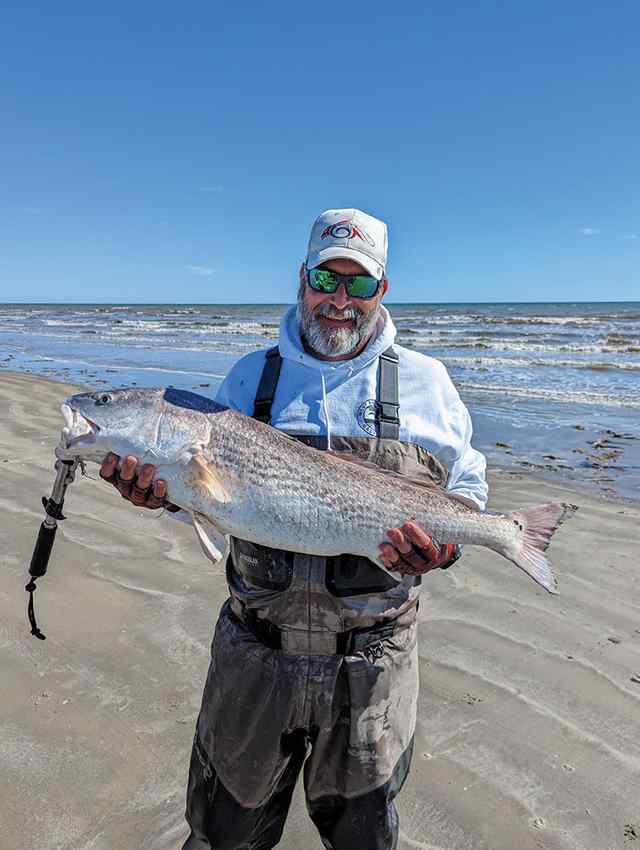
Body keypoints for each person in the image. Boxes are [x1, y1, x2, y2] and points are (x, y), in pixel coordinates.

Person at [100, 208, 488, 850]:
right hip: (254, 657)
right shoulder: (249, 379)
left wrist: (443, 550)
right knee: (224, 833)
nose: (339, 301)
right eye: (324, 279)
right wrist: (159, 495)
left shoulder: (426, 383)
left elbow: (466, 483)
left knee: (364, 837)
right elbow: (209, 497)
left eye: (358, 284)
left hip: (372, 666)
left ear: (381, 291)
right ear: (301, 278)